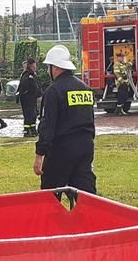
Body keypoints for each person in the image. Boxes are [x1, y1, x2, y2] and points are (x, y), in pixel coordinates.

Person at [34, 45, 97, 194]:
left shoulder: (53, 91)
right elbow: (91, 119)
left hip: (62, 149)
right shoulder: (85, 89)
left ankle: (52, 218)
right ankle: (87, 217)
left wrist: (39, 154)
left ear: (55, 67)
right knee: (85, 195)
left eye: (49, 67)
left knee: (50, 193)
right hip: (86, 147)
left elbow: (47, 126)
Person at [17, 57, 41, 137]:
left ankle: (30, 130)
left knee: (33, 114)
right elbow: (26, 86)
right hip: (27, 98)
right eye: (34, 66)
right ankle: (29, 131)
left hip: (31, 98)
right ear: (30, 66)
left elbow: (37, 86)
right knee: (29, 114)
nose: (35, 68)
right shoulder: (27, 75)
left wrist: (39, 94)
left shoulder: (32, 74)